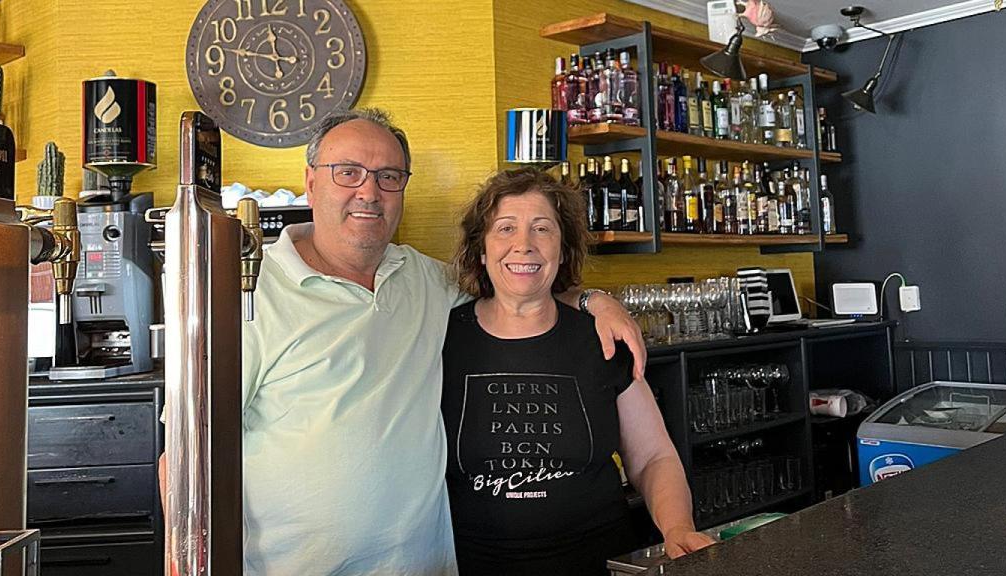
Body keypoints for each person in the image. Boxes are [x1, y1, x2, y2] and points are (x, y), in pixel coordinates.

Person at [160, 108, 645, 575]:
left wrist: (594, 299)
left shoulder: (425, 280)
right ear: (311, 181)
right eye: (348, 172)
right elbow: (183, 458)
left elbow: (516, 279)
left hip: (425, 565)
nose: (369, 192)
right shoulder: (246, 294)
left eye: (389, 176)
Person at [441, 168, 714, 576]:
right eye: (505, 228)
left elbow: (653, 456)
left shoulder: (602, 338)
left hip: (599, 560)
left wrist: (677, 527)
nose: (524, 245)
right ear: (481, 249)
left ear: (564, 249)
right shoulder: (441, 338)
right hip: (473, 564)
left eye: (542, 229)